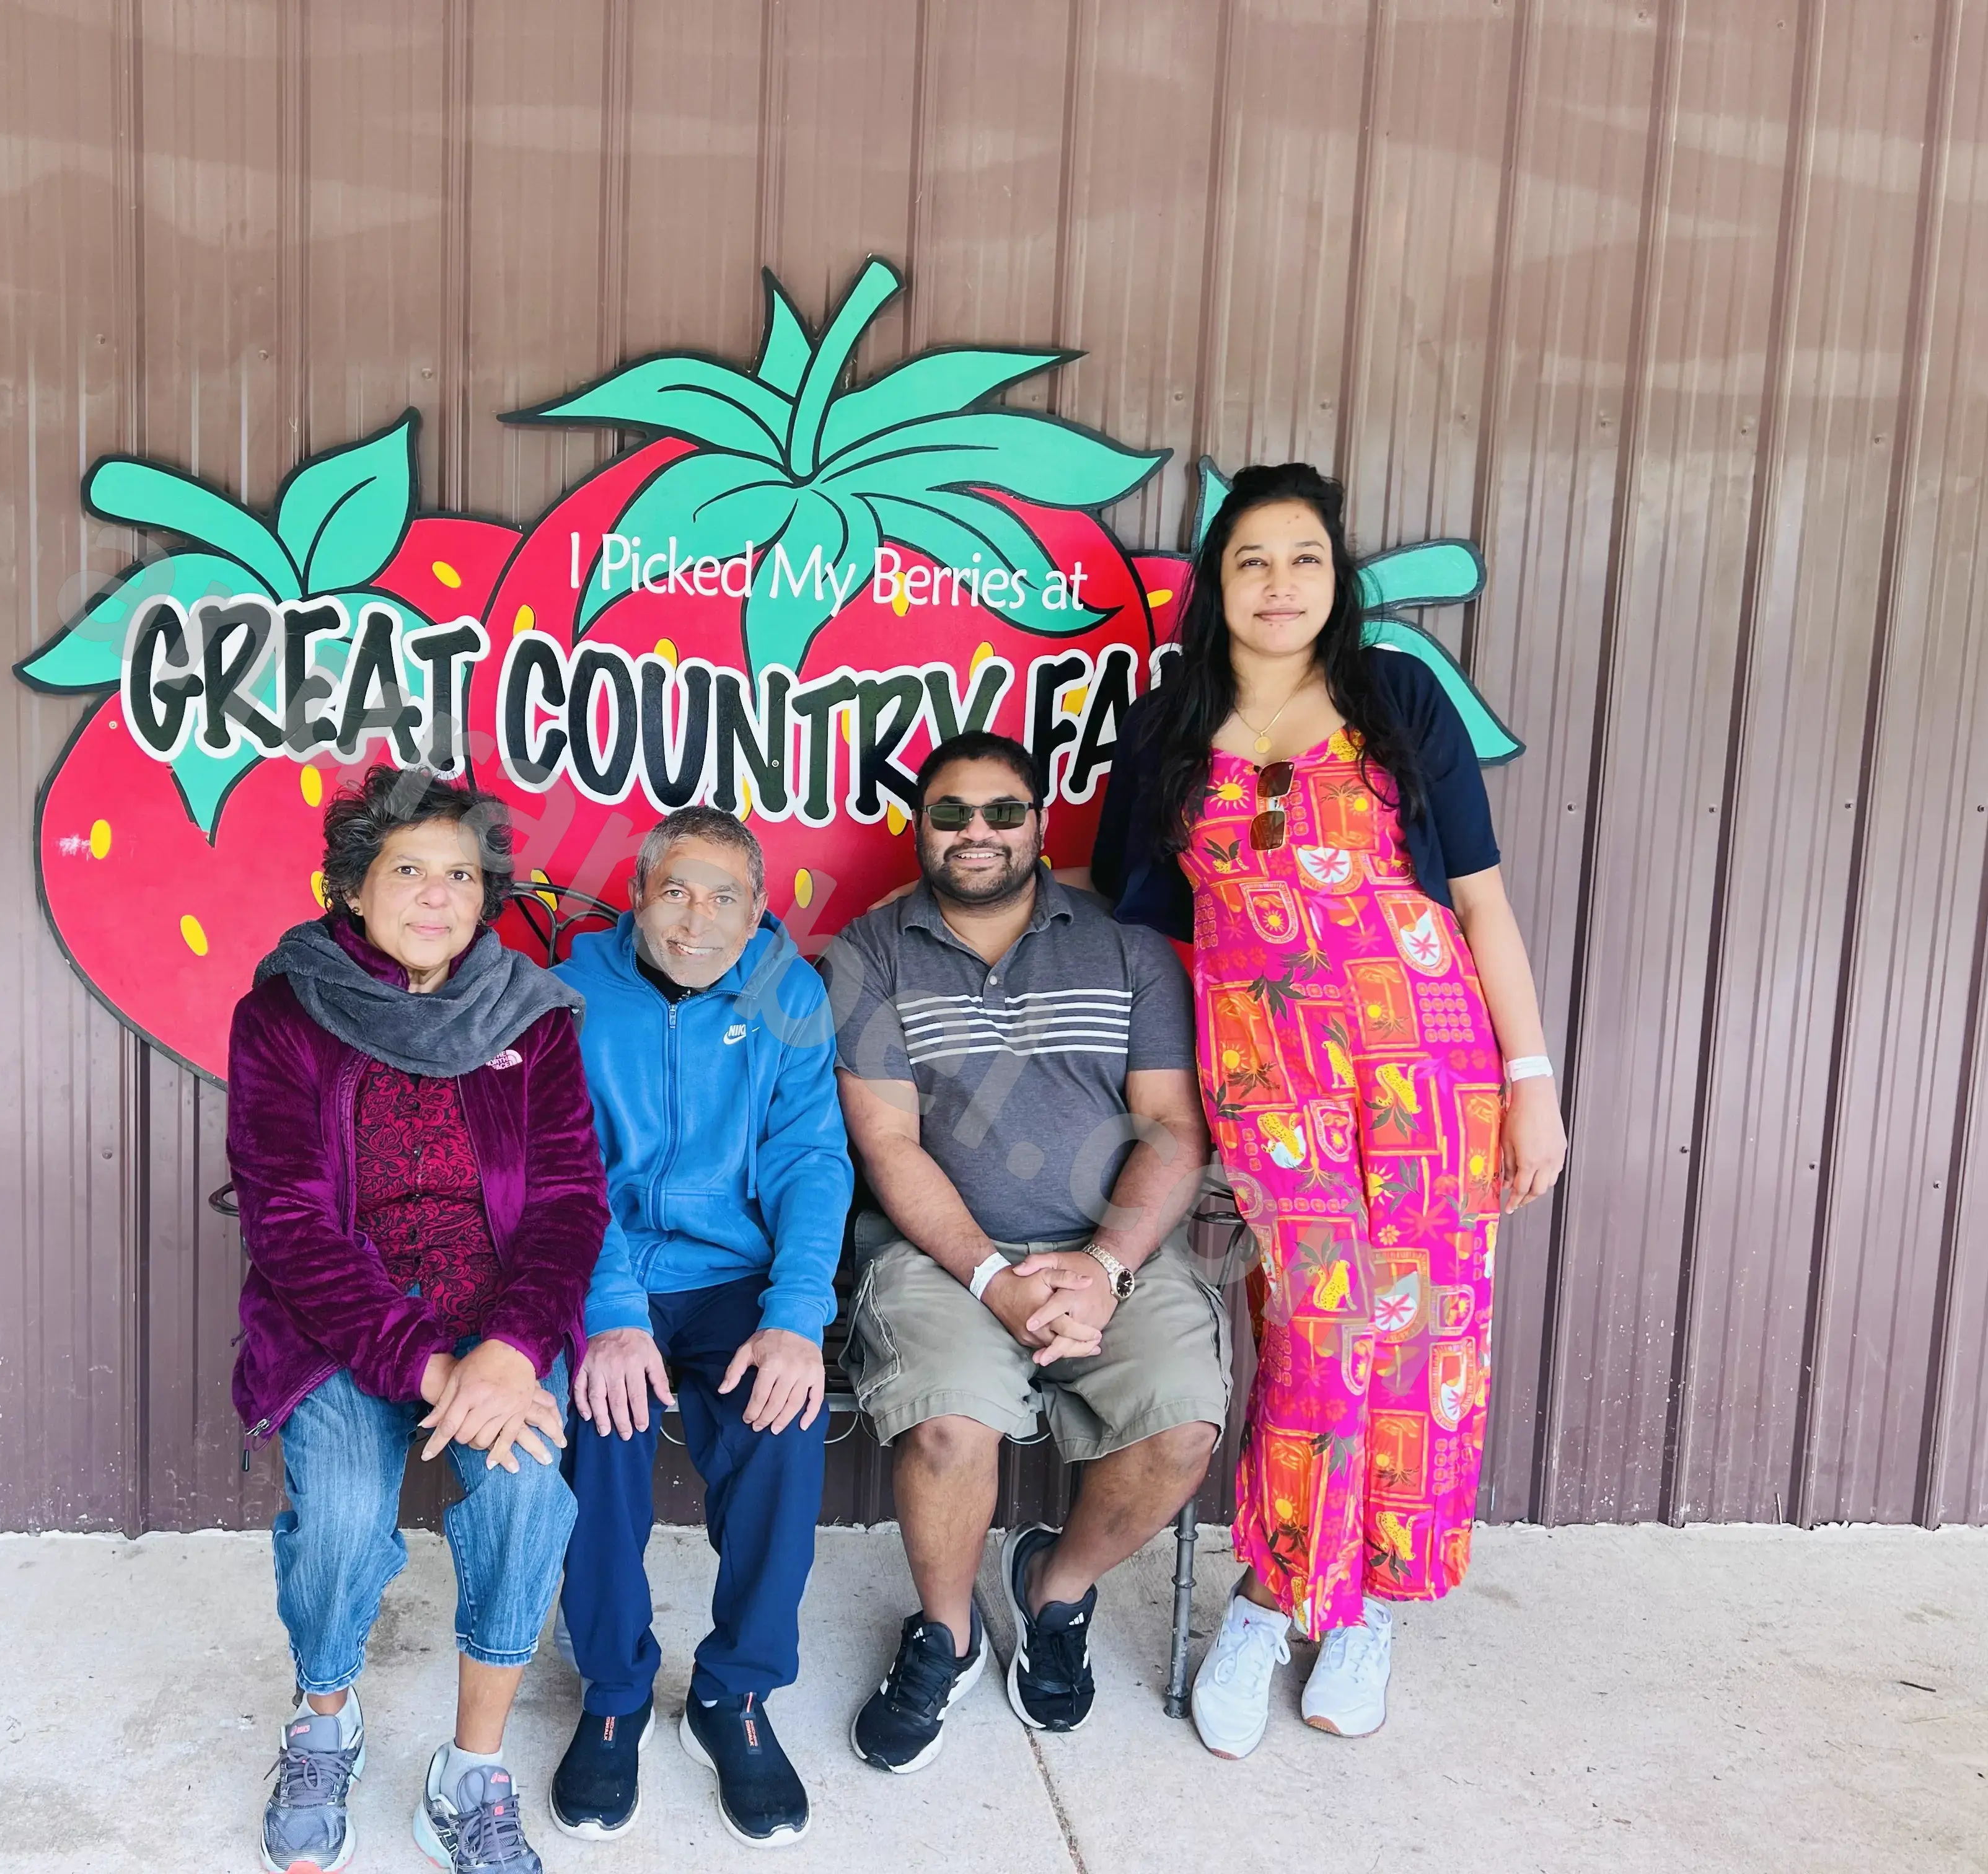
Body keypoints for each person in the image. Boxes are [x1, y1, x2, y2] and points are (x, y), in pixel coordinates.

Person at [1092, 462, 1569, 1756]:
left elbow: (1481, 903)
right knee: (1314, 1334)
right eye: (1252, 560)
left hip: (1431, 1072)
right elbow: (1138, 933)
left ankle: (1364, 1607)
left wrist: (1533, 1087)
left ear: (1335, 578)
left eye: (1304, 559)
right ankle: (1272, 1597)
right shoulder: (1168, 728)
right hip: (1268, 1080)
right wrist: (1164, 1105)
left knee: (1421, 1347)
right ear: (1218, 583)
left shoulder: (1396, 697)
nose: (1279, 585)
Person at [818, 732, 1229, 1771]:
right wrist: (995, 1279)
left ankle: (1056, 1589)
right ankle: (946, 1637)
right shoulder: (870, 957)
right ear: (921, 826)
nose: (977, 833)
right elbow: (888, 1142)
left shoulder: (1126, 949)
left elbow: (1175, 1130)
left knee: (1183, 1427)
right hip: (940, 1257)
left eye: (1003, 811)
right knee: (952, 1428)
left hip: (1113, 1254)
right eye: (952, 812)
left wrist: (1105, 1267)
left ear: (1042, 822)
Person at [226, 762, 608, 1874]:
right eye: (409, 871)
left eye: (460, 875)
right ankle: (325, 1717)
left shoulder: (526, 1017)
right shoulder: (286, 1011)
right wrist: (424, 1365)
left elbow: (570, 1200)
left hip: (498, 1323)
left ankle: (471, 1769)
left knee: (530, 1491)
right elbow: (288, 1218)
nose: (438, 896)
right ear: (353, 888)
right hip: (342, 1321)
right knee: (343, 1511)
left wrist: (508, 1349)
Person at [547, 804, 852, 1849]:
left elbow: (813, 1162)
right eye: (674, 888)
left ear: (760, 910)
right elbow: (559, 1173)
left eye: (726, 895)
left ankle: (736, 1694)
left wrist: (798, 1316)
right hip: (606, 1267)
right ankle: (616, 1689)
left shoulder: (787, 993)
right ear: (636, 897)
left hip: (737, 1275)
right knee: (605, 1425)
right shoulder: (572, 995)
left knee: (782, 1419)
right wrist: (612, 1312)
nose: (697, 916)